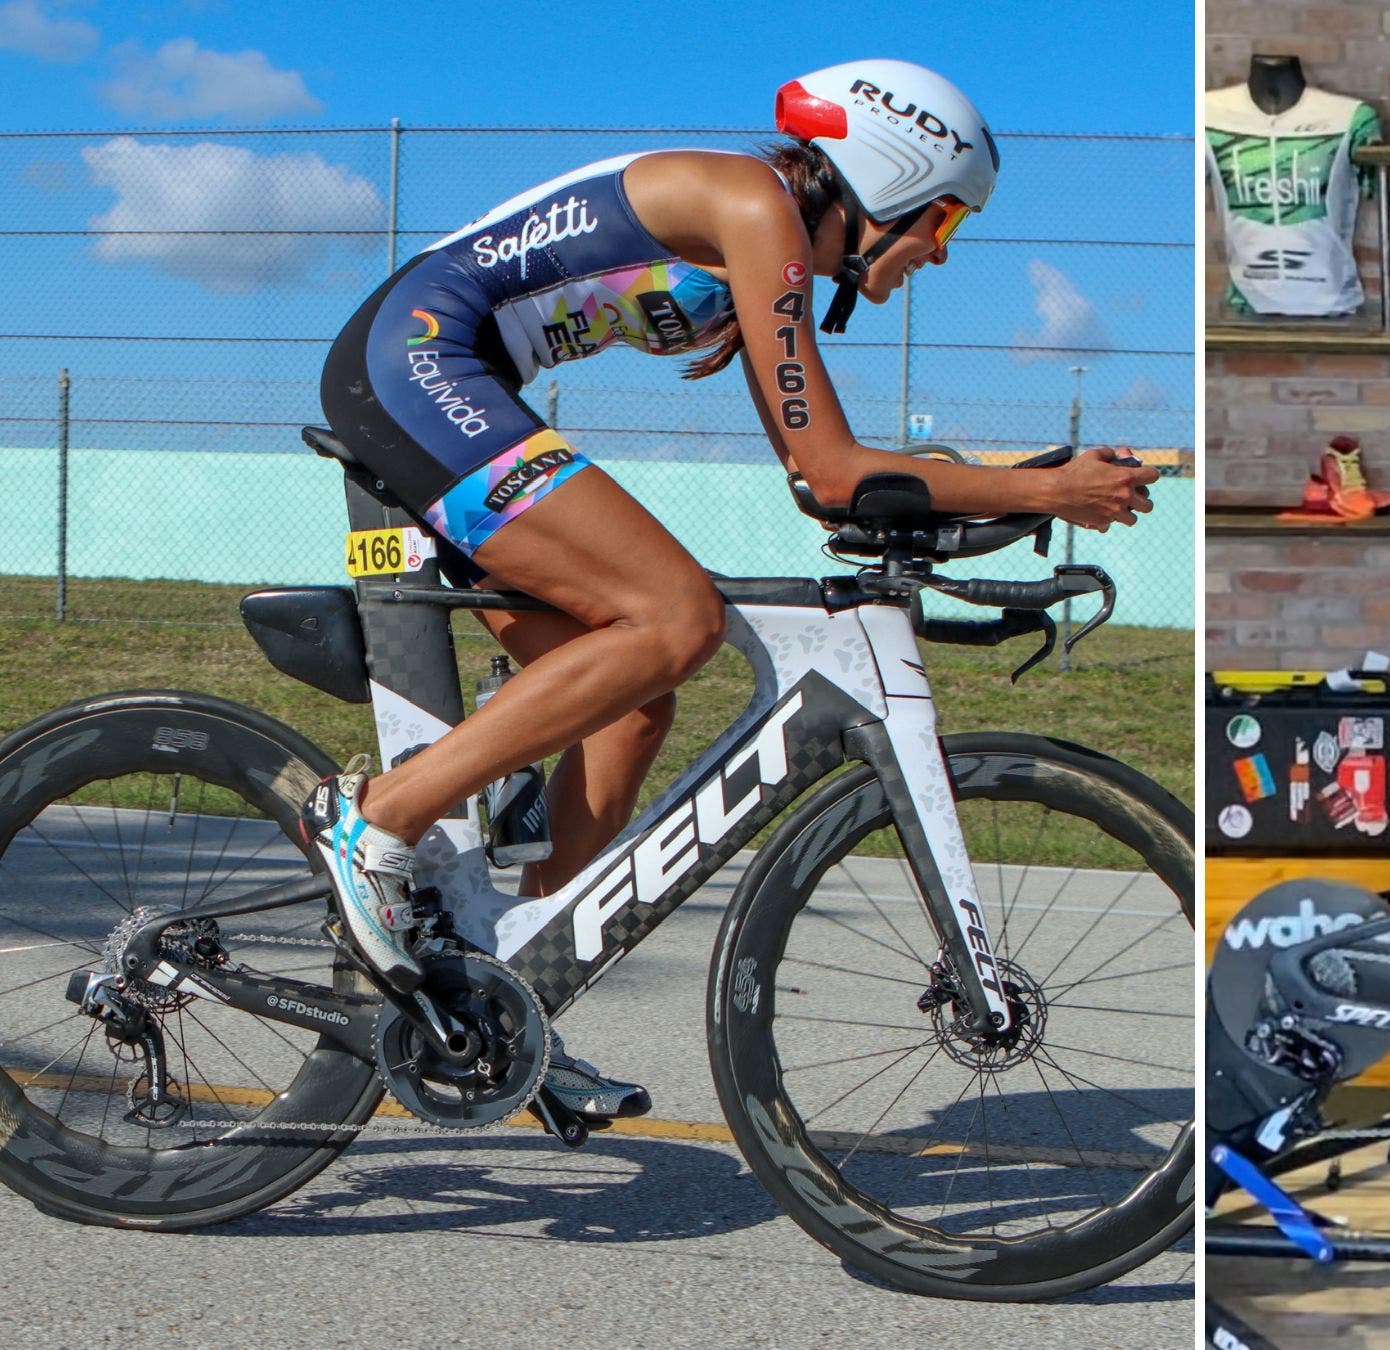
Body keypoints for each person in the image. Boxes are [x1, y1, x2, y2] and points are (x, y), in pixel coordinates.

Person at [312, 58, 1157, 1120]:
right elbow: (835, 469)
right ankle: (379, 822)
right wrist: (1050, 484)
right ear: (885, 177)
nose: (941, 249)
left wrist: (1024, 491)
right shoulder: (755, 207)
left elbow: (823, 485)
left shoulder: (768, 241)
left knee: (631, 698)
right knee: (675, 618)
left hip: (444, 374)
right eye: (941, 218)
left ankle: (507, 991)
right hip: (420, 360)